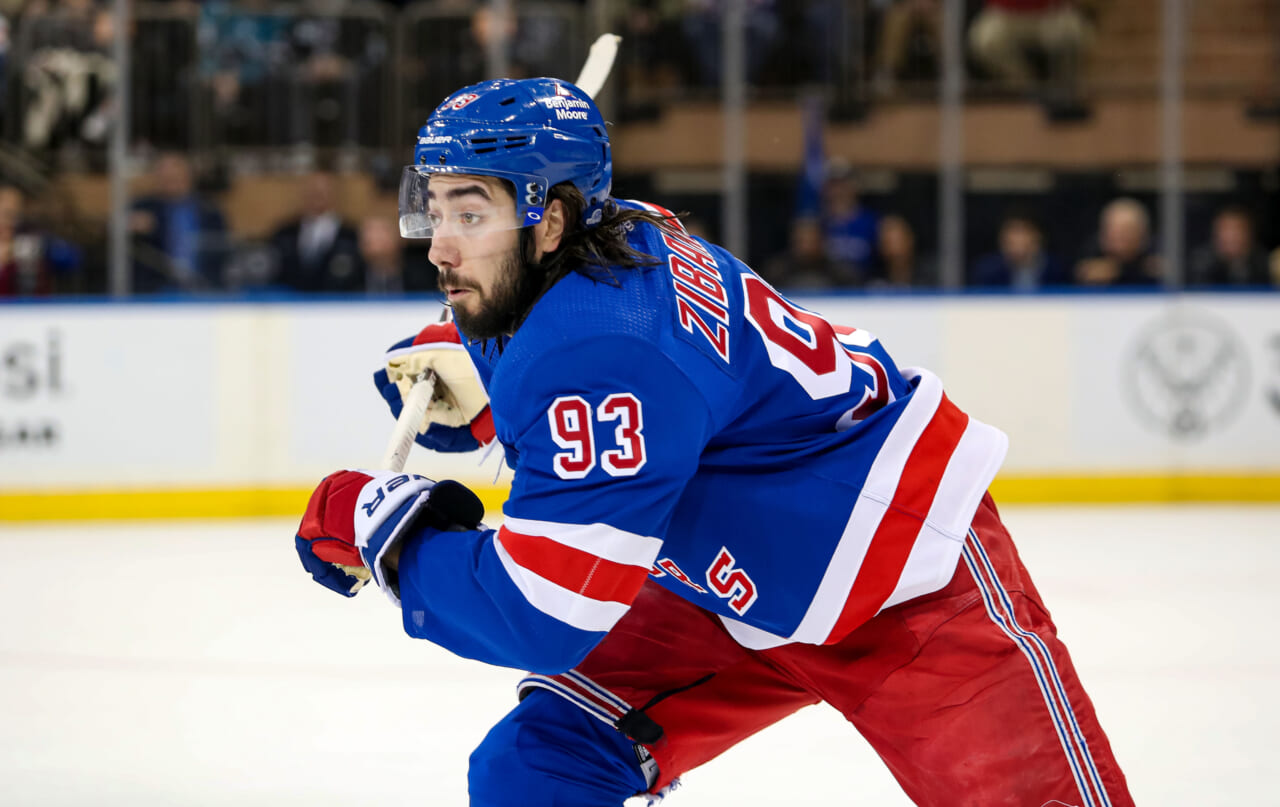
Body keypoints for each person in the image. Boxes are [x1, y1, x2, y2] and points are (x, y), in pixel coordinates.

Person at [291, 77, 1134, 807]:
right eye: (434, 209)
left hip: (899, 575)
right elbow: (640, 389)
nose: (438, 247)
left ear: (551, 224)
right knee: (536, 770)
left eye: (470, 213)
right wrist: (483, 360)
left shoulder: (601, 344)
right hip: (729, 588)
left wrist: (385, 532)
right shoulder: (616, 229)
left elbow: (547, 609)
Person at [129, 151, 228, 293]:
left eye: (176, 175)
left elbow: (221, 249)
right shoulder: (142, 208)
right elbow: (113, 239)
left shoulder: (209, 211)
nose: (171, 180)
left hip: (204, 291)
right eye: (165, 176)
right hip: (155, 293)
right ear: (156, 177)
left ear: (189, 176)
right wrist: (130, 227)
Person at [269, 171, 364, 293]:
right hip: (292, 305)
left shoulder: (351, 234)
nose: (318, 194)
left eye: (324, 190)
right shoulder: (285, 233)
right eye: (313, 190)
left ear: (334, 193)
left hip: (338, 305)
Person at [970, 211, 1070, 290]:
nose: (1018, 242)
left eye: (1023, 233)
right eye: (1010, 240)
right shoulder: (987, 270)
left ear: (1038, 237)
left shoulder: (1056, 269)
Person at [1075, 197, 1162, 287]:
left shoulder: (1157, 254)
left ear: (1143, 233)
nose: (1118, 236)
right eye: (1113, 229)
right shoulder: (1089, 254)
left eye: (1126, 229)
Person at [1187, 204, 1273, 287]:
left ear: (1249, 233)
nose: (1231, 236)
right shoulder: (1200, 264)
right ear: (1215, 233)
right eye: (1226, 229)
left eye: (1237, 229)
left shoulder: (1263, 263)